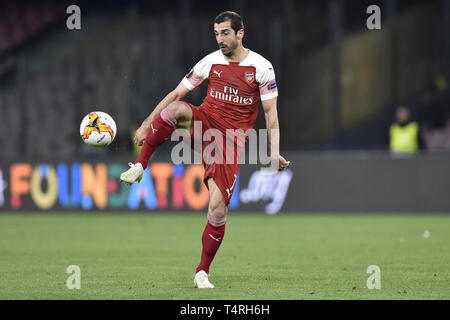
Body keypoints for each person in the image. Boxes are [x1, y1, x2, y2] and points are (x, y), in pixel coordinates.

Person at [120, 11, 291, 288]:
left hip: (229, 143)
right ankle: (140, 165)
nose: (220, 39)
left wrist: (273, 153)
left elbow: (271, 115)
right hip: (204, 123)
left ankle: (202, 272)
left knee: (217, 209)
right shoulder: (210, 62)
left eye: (225, 33)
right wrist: (145, 124)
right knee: (176, 109)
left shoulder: (261, 67)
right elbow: (176, 94)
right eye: (216, 34)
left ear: (240, 33)